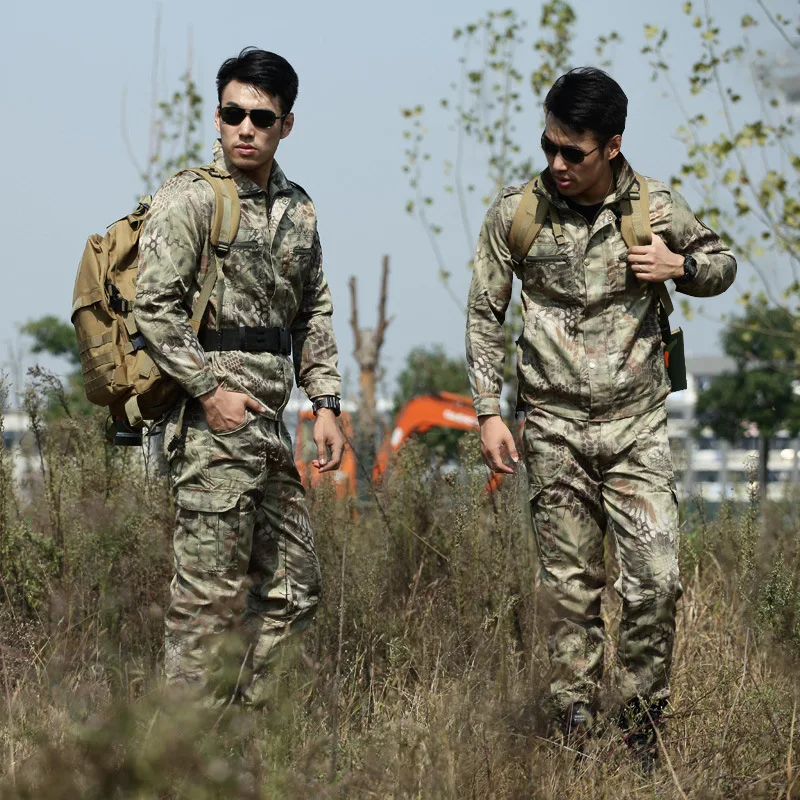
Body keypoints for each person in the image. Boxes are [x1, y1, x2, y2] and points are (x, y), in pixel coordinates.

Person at [466, 67, 736, 765]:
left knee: (656, 580)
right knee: (569, 592)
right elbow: (483, 314)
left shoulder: (655, 209)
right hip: (552, 428)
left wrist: (678, 266)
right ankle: (575, 734)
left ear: (611, 146)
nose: (556, 164)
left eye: (573, 152)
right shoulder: (516, 213)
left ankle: (643, 728)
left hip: (635, 429)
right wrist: (488, 411)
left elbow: (723, 262)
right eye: (549, 146)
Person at [134, 47, 344, 705]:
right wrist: (209, 392)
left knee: (294, 589)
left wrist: (328, 402)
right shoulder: (191, 198)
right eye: (233, 114)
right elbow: (153, 306)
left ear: (286, 123)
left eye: (261, 116)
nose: (245, 127)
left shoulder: (299, 210)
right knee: (208, 606)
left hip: (270, 429)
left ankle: (234, 737)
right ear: (219, 116)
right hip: (210, 429)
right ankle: (176, 759)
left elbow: (313, 309)